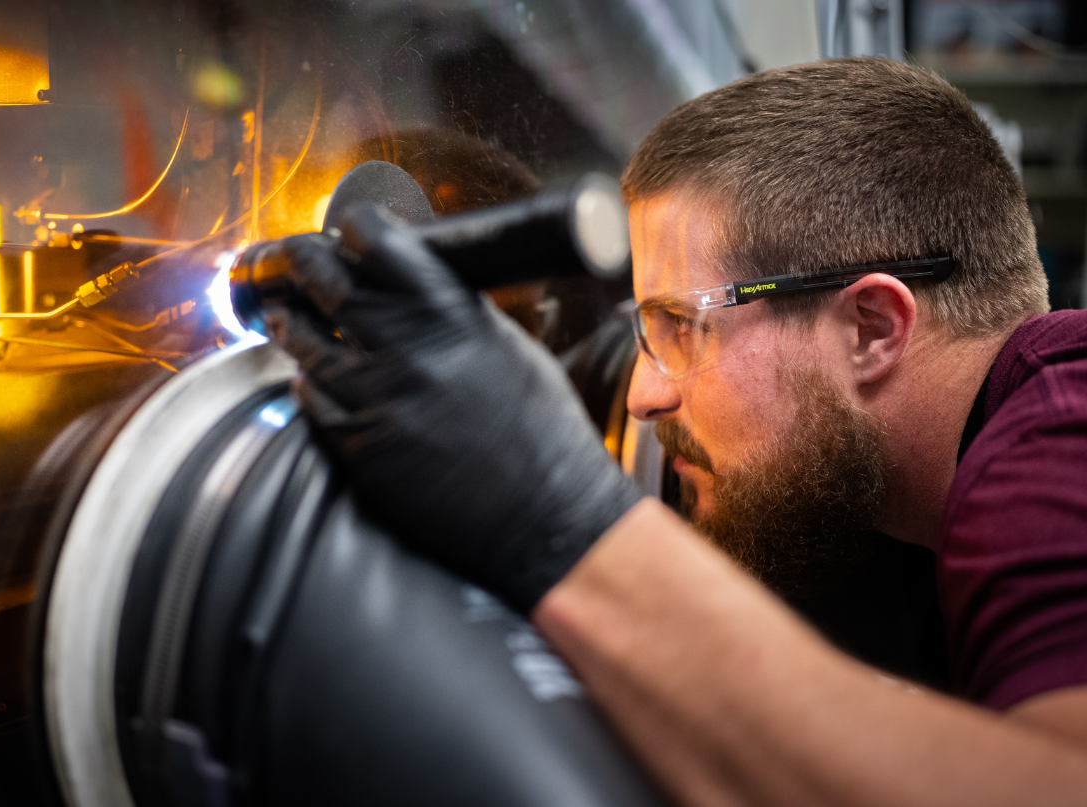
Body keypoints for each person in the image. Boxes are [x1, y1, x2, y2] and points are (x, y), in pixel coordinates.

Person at [263, 56, 1087, 805]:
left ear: (870, 327)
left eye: (682, 326)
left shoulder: (1057, 434)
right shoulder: (951, 508)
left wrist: (558, 520)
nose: (646, 395)